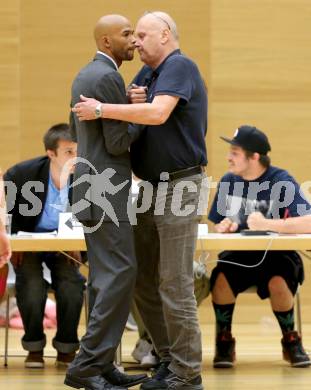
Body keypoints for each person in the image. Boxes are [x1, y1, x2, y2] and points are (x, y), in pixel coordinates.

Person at [73, 11, 208, 390]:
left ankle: (186, 373)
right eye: (132, 36)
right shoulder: (145, 74)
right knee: (142, 279)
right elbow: (132, 123)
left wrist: (102, 109)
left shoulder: (180, 66)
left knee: (174, 281)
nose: (135, 42)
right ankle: (168, 359)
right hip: (149, 187)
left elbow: (157, 113)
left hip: (180, 186)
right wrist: (130, 100)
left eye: (143, 35)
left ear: (165, 35)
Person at [64, 15, 147, 390]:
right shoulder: (108, 76)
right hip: (105, 190)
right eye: (126, 33)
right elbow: (117, 142)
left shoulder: (87, 74)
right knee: (120, 274)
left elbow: (96, 131)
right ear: (106, 40)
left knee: (104, 277)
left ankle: (100, 364)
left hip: (90, 187)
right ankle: (87, 365)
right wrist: (142, 115)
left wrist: (123, 106)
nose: (133, 40)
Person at [208, 124, 311, 368]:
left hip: (277, 255)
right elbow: (217, 222)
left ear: (254, 156)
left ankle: (290, 340)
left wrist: (269, 223)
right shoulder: (228, 181)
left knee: (278, 282)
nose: (228, 157)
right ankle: (224, 340)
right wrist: (224, 227)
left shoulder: (281, 181)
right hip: (238, 255)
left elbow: (309, 221)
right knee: (220, 278)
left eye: (235, 152)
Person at [3, 123, 86, 368]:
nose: (76, 158)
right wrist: (16, 244)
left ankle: (67, 346)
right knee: (30, 281)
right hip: (28, 241)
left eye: (78, 152)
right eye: (69, 152)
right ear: (51, 153)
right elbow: (7, 213)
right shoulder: (21, 174)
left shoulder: (87, 177)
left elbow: (92, 218)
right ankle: (34, 347)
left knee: (72, 282)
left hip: (66, 242)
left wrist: (77, 243)